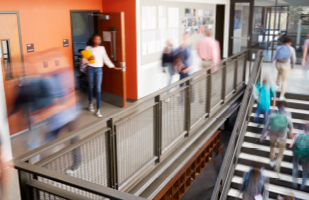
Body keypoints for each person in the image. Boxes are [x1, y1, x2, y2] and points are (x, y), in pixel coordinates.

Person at [84, 34, 120, 118]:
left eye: (99, 39)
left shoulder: (102, 48)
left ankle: (98, 110)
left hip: (99, 70)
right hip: (90, 68)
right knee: (91, 87)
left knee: (98, 88)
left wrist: (113, 66)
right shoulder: (88, 48)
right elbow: (84, 61)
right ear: (92, 40)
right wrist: (88, 59)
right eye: (96, 39)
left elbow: (106, 58)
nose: (97, 41)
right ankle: (90, 104)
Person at [260, 101, 293, 175]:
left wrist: (262, 135)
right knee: (280, 154)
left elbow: (266, 126)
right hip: (282, 137)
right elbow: (291, 127)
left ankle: (272, 159)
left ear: (277, 106)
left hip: (272, 135)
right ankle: (277, 168)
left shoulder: (272, 113)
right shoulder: (288, 114)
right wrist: (292, 140)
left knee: (272, 146)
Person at [289, 122, 309, 191]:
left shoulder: (298, 135)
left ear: (303, 128)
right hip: (305, 158)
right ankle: (302, 187)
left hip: (296, 157)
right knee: (305, 173)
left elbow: (292, 146)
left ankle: (294, 186)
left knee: (295, 170)